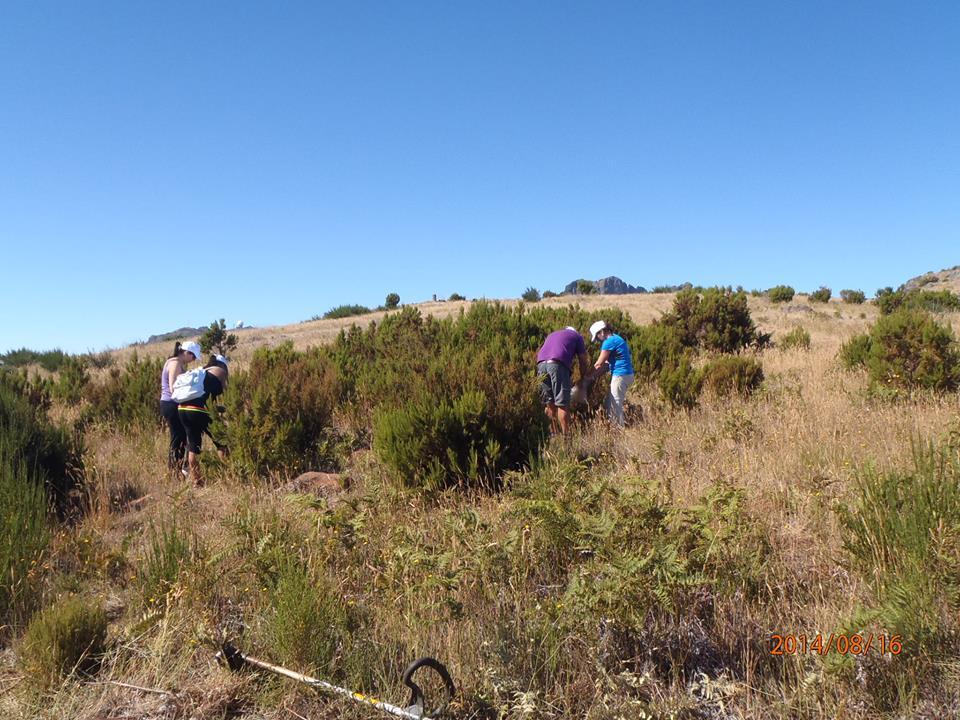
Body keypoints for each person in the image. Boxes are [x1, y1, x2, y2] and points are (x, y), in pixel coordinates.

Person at [176, 355, 229, 484]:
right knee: (222, 441)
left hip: (182, 409)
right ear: (223, 365)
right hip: (199, 410)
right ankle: (230, 475)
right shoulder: (220, 371)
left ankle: (197, 480)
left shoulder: (201, 375)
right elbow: (229, 395)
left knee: (193, 446)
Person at [536, 326, 591, 435]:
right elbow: (583, 360)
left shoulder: (552, 334)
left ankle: (552, 434)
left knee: (549, 402)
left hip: (541, 364)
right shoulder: (577, 336)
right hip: (557, 364)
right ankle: (566, 437)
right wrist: (583, 377)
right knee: (562, 404)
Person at [159, 341, 201, 471]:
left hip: (170, 404)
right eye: (193, 357)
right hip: (171, 404)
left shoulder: (176, 362)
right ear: (187, 353)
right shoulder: (175, 363)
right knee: (178, 437)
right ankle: (174, 471)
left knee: (180, 436)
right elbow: (174, 388)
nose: (193, 360)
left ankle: (176, 469)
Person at [589, 320, 635, 427]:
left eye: (596, 337)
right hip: (626, 374)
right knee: (610, 403)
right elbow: (606, 363)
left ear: (601, 332)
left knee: (614, 408)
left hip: (620, 376)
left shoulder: (608, 342)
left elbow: (599, 363)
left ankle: (619, 433)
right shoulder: (617, 338)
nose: (597, 341)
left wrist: (587, 377)